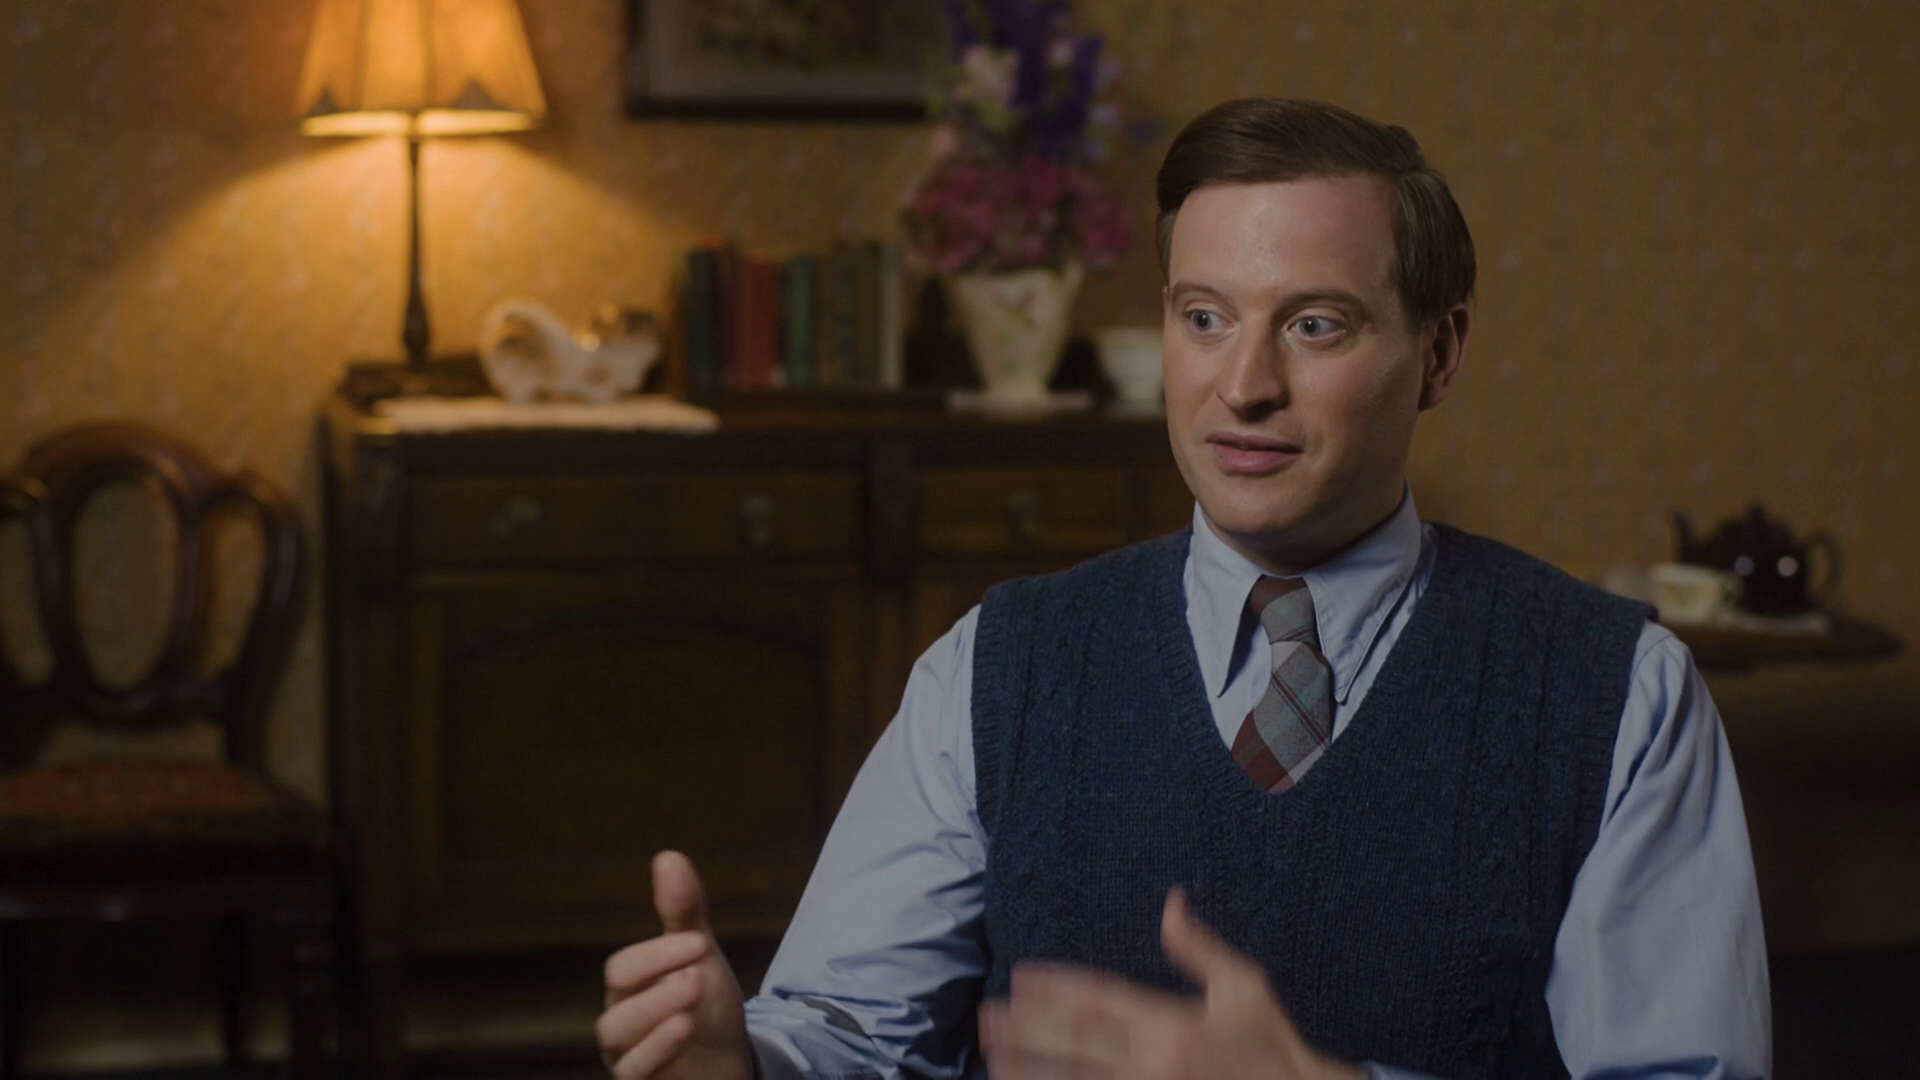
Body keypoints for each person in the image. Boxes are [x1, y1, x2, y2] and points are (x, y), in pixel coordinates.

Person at [597, 97, 1770, 1080]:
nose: (1244, 385)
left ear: (1440, 352)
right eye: (1204, 318)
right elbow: (847, 1034)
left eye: (1316, 325)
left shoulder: (1620, 696)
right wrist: (747, 1063)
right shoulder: (996, 668)